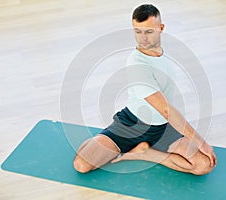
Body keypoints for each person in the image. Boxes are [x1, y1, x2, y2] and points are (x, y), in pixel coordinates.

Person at [73, 4, 217, 175]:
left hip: (163, 127)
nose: (143, 39)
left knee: (203, 165)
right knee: (82, 165)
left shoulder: (165, 53)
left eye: (149, 32)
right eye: (138, 32)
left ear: (161, 28)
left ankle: (145, 153)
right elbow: (165, 109)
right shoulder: (137, 64)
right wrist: (201, 142)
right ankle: (106, 140)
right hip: (132, 124)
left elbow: (166, 113)